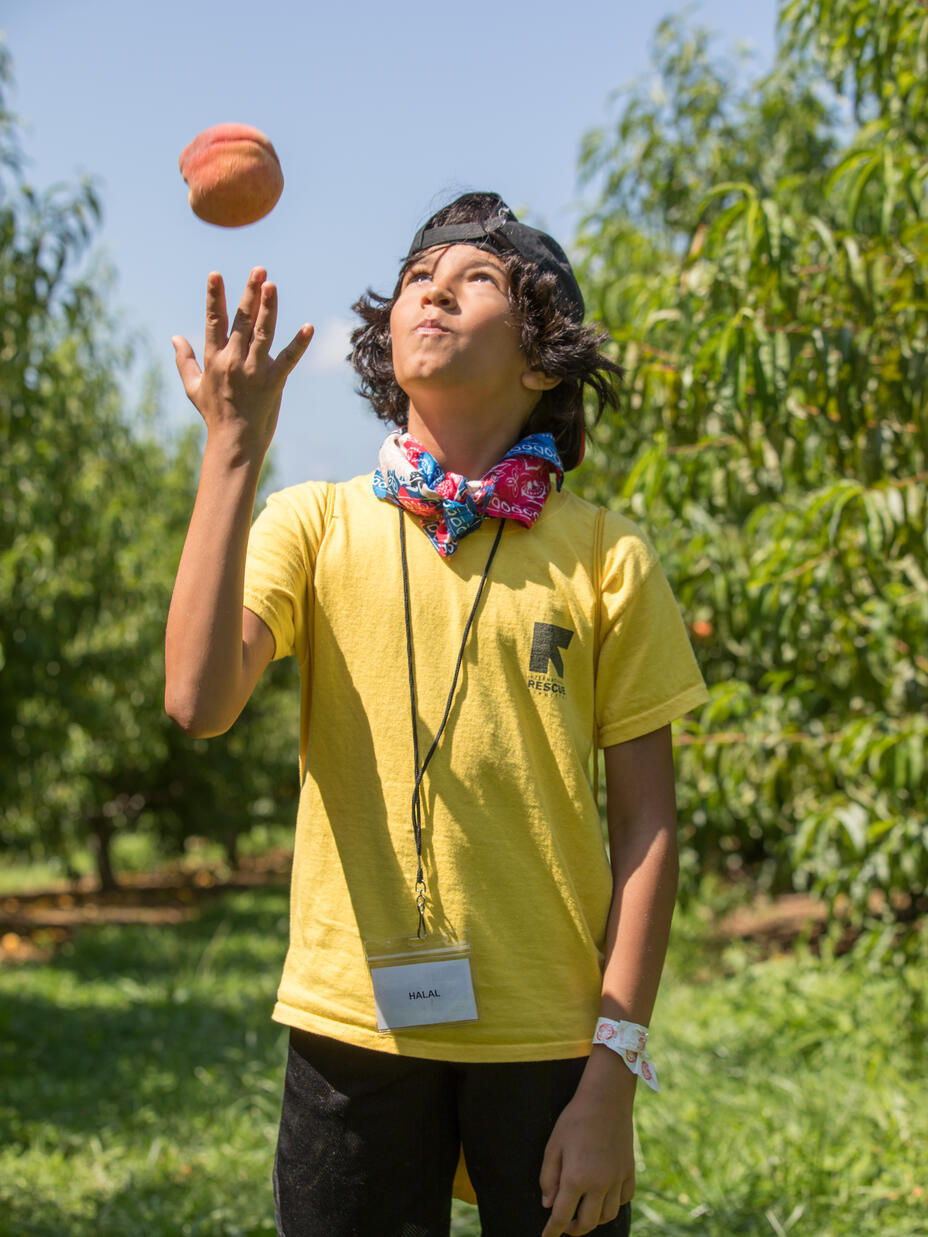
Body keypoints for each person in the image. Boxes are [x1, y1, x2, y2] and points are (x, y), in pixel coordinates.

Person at [165, 191, 709, 1237]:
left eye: (476, 280)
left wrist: (612, 1077)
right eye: (420, 276)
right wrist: (232, 448)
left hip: (549, 1041)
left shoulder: (605, 558)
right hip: (351, 1027)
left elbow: (646, 830)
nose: (435, 289)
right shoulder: (315, 523)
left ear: (543, 359)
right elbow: (197, 698)